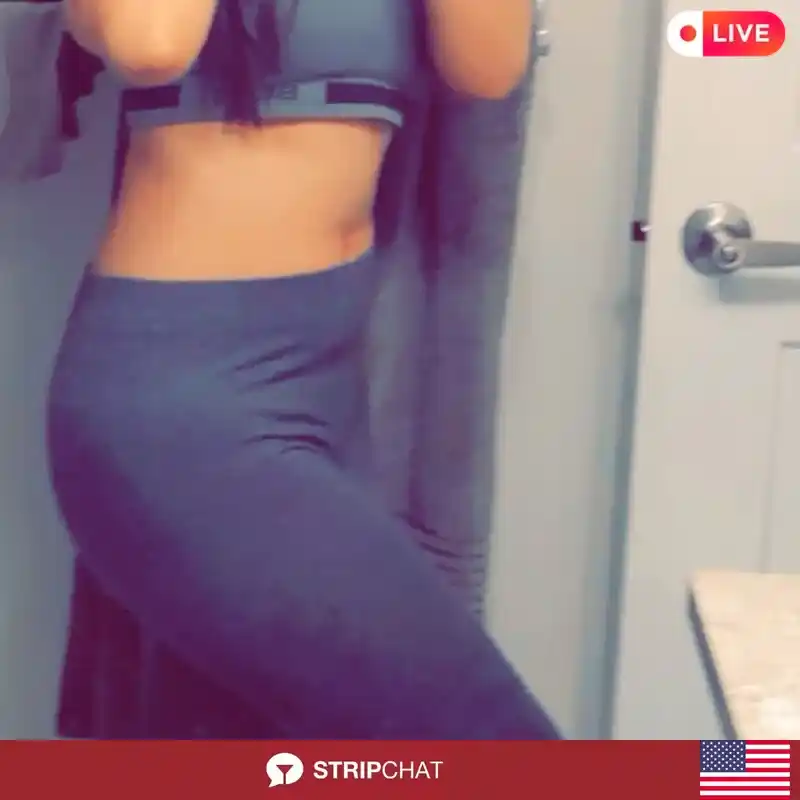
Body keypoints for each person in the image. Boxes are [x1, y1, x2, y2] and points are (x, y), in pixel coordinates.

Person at [46, 0, 561, 739]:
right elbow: (151, 43)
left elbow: (487, 66)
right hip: (185, 404)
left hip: (326, 386)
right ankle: (735, 772)